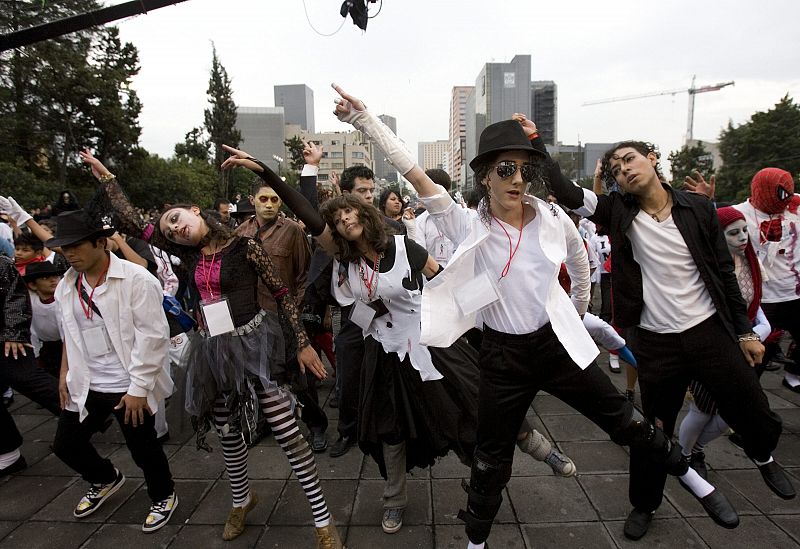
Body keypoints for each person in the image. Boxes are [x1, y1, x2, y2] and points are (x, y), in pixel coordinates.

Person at [325, 86, 736, 548]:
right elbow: (412, 170)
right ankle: (477, 540)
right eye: (505, 168)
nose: (517, 178)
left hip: (552, 346)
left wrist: (575, 313)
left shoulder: (550, 216)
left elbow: (581, 265)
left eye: (525, 168)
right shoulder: (465, 222)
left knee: (624, 420)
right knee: (490, 458)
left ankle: (694, 480)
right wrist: (364, 120)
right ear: (485, 177)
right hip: (502, 357)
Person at [80, 151, 344, 547]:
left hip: (256, 346)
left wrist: (302, 344)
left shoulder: (245, 246)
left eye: (177, 219)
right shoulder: (187, 255)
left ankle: (323, 521)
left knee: (288, 432)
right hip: (212, 353)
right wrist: (108, 179)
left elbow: (282, 293)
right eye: (168, 230)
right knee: (226, 431)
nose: (175, 229)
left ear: (195, 211)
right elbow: (133, 221)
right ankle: (242, 500)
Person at [550, 140, 794, 540]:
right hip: (657, 343)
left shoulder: (698, 209)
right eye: (615, 168)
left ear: (651, 158)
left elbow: (723, 274)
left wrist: (745, 331)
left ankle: (763, 456)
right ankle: (644, 504)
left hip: (707, 332)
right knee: (653, 430)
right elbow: (567, 191)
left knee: (752, 405)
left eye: (630, 159)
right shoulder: (619, 212)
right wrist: (536, 143)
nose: (624, 169)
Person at [47, 209, 178, 533]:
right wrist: (65, 371)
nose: (70, 254)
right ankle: (104, 478)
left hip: (127, 383)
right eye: (65, 248)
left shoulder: (136, 280)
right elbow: (69, 332)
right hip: (87, 380)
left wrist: (137, 389)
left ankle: (164, 495)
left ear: (101, 243)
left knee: (143, 449)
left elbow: (153, 337)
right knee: (65, 444)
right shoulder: (67, 284)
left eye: (77, 245)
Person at [678, 206, 778, 478]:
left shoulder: (749, 264)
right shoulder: (708, 270)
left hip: (744, 352)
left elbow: (754, 306)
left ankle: (696, 448)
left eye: (745, 230)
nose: (743, 237)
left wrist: (756, 332)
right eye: (733, 233)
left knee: (729, 416)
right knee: (701, 411)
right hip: (712, 350)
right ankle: (685, 456)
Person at [235, 176, 329, 453]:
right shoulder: (241, 232)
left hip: (287, 317)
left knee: (301, 376)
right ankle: (265, 422)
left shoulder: (292, 232)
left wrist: (296, 313)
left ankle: (316, 426)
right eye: (263, 199)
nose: (268, 204)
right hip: (252, 318)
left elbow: (304, 275)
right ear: (253, 200)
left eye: (274, 199)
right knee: (261, 376)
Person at [686, 168, 800, 393]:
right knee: (756, 353)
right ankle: (746, 396)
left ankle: (792, 374)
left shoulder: (796, 206)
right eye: (777, 194)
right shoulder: (740, 213)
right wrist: (705, 201)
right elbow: (707, 224)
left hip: (796, 292)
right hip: (763, 296)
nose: (782, 200)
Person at [23, 261, 65, 378]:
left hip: (66, 345)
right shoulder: (31, 302)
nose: (53, 280)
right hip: (46, 348)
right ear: (33, 285)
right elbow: (32, 331)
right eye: (46, 278)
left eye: (55, 276)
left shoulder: (63, 300)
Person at [414, 169, 458, 268]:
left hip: (459, 278)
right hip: (432, 279)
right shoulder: (420, 222)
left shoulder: (461, 216)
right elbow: (420, 255)